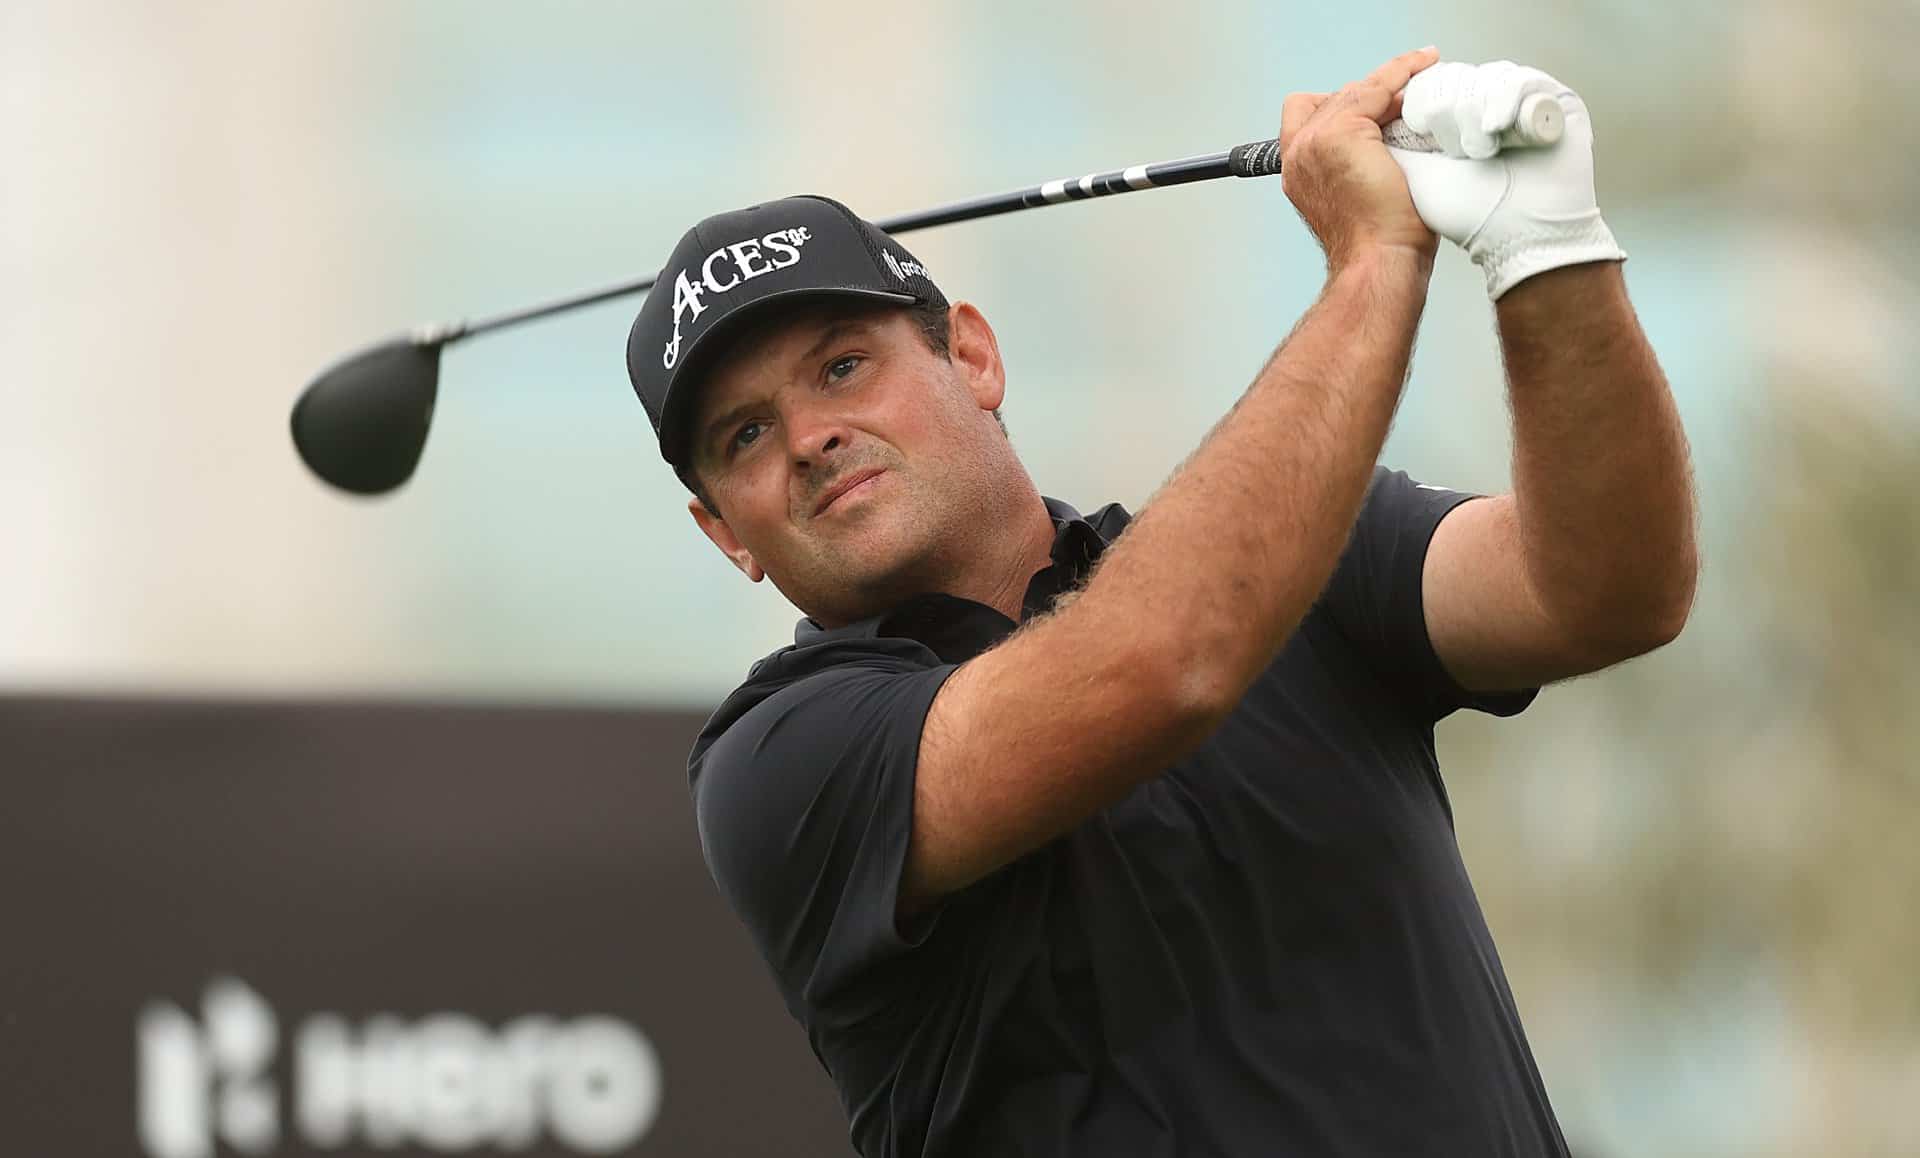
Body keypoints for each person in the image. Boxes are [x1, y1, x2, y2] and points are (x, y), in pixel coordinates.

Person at [624, 47, 1696, 1158]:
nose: (809, 438)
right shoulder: (780, 760)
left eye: (843, 366)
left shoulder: (1312, 548)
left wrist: (1546, 247)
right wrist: (1376, 259)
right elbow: (1163, 663)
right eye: (745, 435)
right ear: (724, 534)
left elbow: (1607, 590)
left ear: (975, 358)